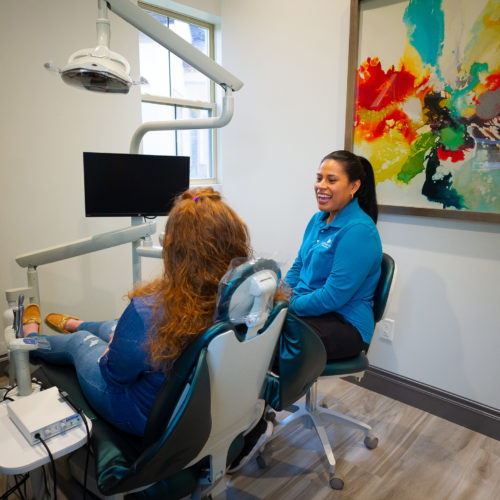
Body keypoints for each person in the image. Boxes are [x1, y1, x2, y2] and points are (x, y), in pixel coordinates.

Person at [22, 187, 252, 436]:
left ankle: (30, 340)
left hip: (140, 413)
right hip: (198, 407)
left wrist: (110, 350)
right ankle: (76, 323)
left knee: (80, 342)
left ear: (174, 251)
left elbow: (114, 376)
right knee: (111, 327)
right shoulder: (244, 299)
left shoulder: (147, 313)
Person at [284, 150, 382, 361]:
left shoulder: (359, 231)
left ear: (354, 186)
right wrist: (280, 293)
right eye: (319, 178)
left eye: (331, 180)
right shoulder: (318, 220)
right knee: (256, 327)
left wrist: (289, 305)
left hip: (344, 322)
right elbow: (299, 266)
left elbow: (333, 297)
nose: (321, 186)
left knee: (273, 342)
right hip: (309, 310)